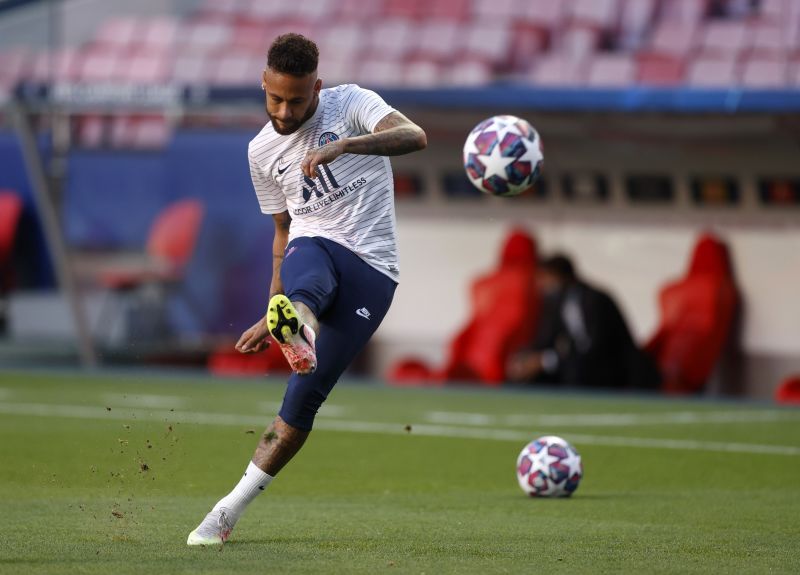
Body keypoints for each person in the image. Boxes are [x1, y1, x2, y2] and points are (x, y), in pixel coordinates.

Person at [187, 33, 426, 546]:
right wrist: (268, 306)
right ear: (264, 84)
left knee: (303, 401)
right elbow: (281, 232)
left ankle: (302, 328)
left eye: (297, 99)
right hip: (312, 246)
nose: (285, 109)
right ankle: (298, 325)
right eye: (275, 98)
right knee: (309, 258)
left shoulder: (352, 104)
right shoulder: (260, 151)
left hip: (373, 269)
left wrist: (346, 144)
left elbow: (415, 136)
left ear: (317, 87)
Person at [507, 254, 660, 390]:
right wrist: (525, 359)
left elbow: (594, 348)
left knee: (575, 369)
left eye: (545, 278)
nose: (541, 285)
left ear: (559, 276)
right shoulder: (558, 302)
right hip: (578, 363)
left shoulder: (593, 300)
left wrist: (546, 360)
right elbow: (545, 339)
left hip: (607, 369)